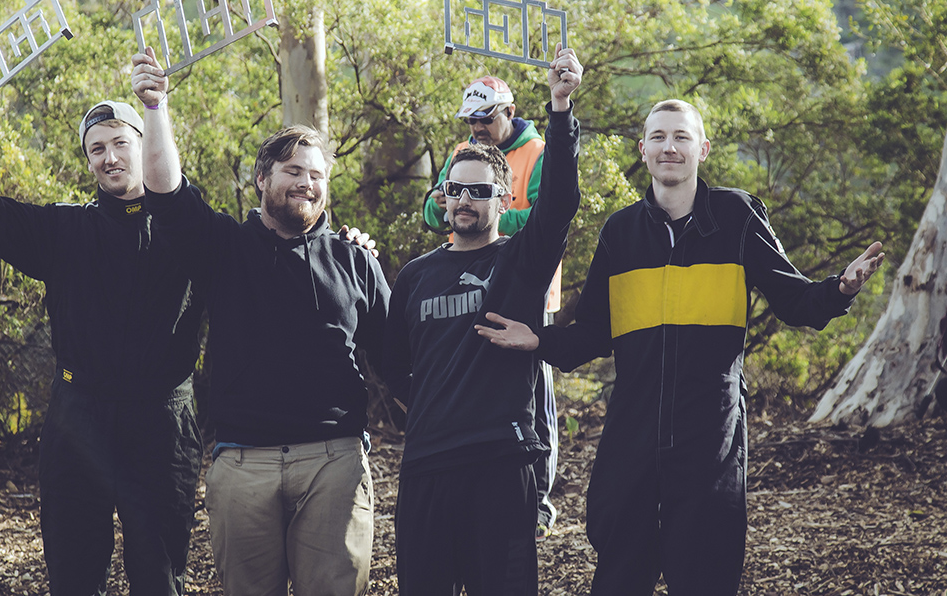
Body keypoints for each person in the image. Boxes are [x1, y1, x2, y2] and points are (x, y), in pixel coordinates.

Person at [474, 99, 886, 596]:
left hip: (709, 440)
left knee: (706, 577)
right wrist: (540, 338)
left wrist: (841, 287)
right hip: (632, 440)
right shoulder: (620, 232)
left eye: (681, 137)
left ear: (703, 149)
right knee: (619, 576)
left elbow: (795, 301)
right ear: (642, 150)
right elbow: (595, 333)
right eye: (659, 137)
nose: (669, 147)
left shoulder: (736, 217)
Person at [131, 48, 390, 596]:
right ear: (261, 178)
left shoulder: (355, 261)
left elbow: (403, 357)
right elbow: (165, 193)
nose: (306, 183)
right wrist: (155, 108)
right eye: (293, 171)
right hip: (243, 462)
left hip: (335, 461)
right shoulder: (223, 247)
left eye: (316, 175)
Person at [0, 67, 204, 596]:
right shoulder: (64, 230)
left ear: (144, 143)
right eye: (96, 149)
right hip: (78, 418)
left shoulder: (188, 228)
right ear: (88, 161)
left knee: (159, 576)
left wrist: (341, 248)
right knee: (74, 573)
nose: (109, 158)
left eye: (120, 143)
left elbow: (260, 254)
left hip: (162, 423)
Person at [372, 46, 582, 595]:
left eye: (480, 191)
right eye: (455, 190)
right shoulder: (415, 277)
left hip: (501, 467)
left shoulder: (520, 262)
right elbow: (392, 364)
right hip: (427, 469)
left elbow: (559, 202)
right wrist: (431, 407)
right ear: (443, 197)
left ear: (503, 199)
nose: (465, 200)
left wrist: (560, 109)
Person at [422, 75, 563, 539]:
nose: (477, 128)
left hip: (526, 290)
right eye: (471, 120)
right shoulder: (462, 153)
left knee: (534, 393)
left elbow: (546, 218)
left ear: (510, 112)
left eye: (485, 119)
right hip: (466, 288)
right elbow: (432, 211)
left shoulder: (538, 152)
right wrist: (459, 207)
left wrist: (489, 211)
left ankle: (537, 500)